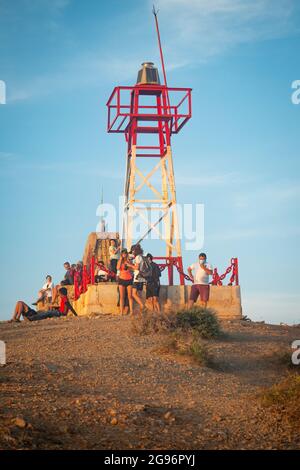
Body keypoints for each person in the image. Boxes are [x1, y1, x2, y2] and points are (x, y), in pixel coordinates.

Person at [10, 287, 77, 322]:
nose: (58, 294)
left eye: (59, 293)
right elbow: (65, 306)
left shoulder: (65, 298)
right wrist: (55, 307)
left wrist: (75, 314)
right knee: (47, 313)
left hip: (60, 313)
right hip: (59, 312)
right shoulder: (64, 298)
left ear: (62, 293)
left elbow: (69, 306)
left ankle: (31, 318)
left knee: (46, 313)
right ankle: (17, 318)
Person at [116, 249, 133, 315]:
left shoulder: (129, 261)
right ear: (121, 254)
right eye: (123, 253)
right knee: (122, 297)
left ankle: (131, 311)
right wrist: (120, 259)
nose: (124, 254)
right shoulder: (120, 261)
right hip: (122, 279)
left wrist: (129, 264)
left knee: (130, 296)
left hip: (129, 279)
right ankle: (121, 312)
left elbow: (132, 269)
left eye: (125, 253)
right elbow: (117, 268)